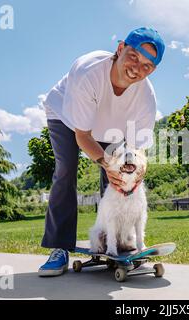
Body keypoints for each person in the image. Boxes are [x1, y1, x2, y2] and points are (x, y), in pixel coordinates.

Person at [38, 27, 165, 277]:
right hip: (66, 118)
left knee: (118, 178)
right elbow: (83, 135)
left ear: (153, 70)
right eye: (134, 56)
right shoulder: (89, 72)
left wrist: (136, 172)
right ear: (119, 49)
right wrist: (106, 163)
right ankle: (59, 247)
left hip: (112, 128)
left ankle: (115, 240)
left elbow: (138, 151)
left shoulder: (146, 98)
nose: (137, 68)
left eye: (147, 66)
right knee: (66, 171)